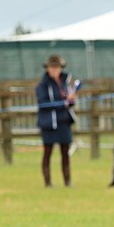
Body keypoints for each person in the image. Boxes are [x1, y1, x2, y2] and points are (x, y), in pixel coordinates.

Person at [36, 55, 76, 188]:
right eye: (52, 67)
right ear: (47, 68)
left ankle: (68, 181)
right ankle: (48, 183)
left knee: (65, 153)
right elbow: (43, 103)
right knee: (48, 153)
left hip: (64, 122)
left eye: (56, 67)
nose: (54, 70)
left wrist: (70, 100)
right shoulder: (42, 85)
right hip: (49, 124)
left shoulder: (65, 82)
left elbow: (70, 103)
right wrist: (63, 103)